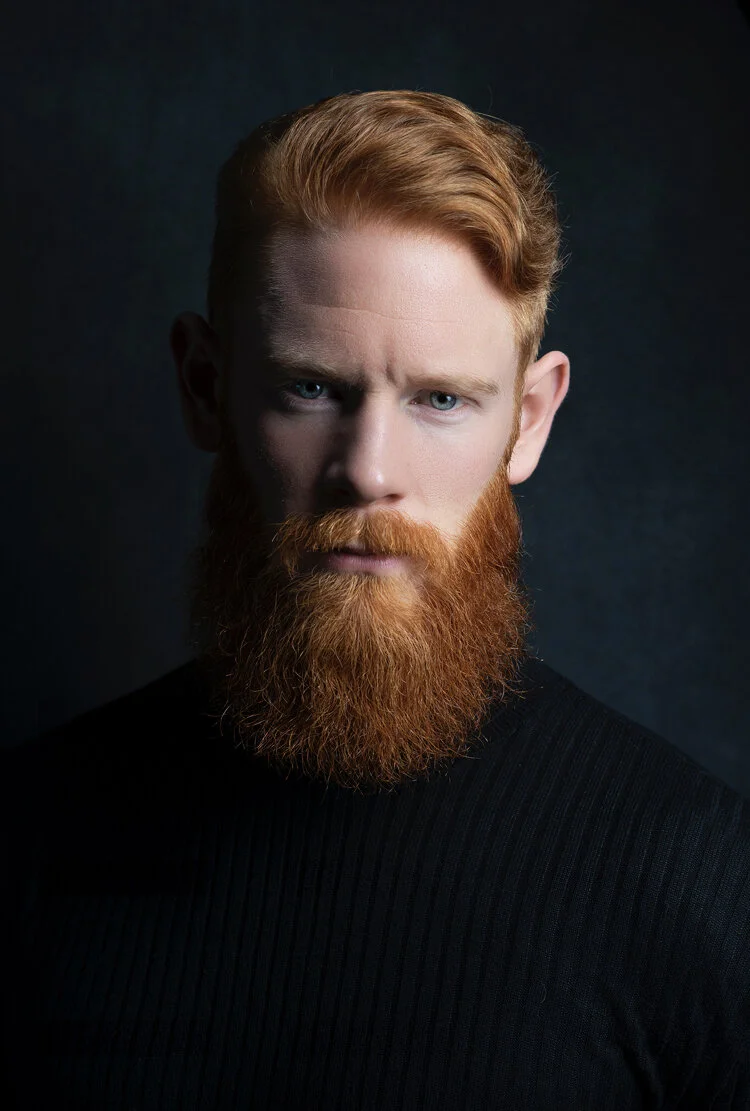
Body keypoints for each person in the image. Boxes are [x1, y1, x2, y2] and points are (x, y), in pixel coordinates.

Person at [2, 90, 748, 1109]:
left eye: (441, 399)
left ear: (529, 420)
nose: (368, 470)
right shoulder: (29, 838)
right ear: (205, 385)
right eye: (312, 388)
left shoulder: (700, 880)